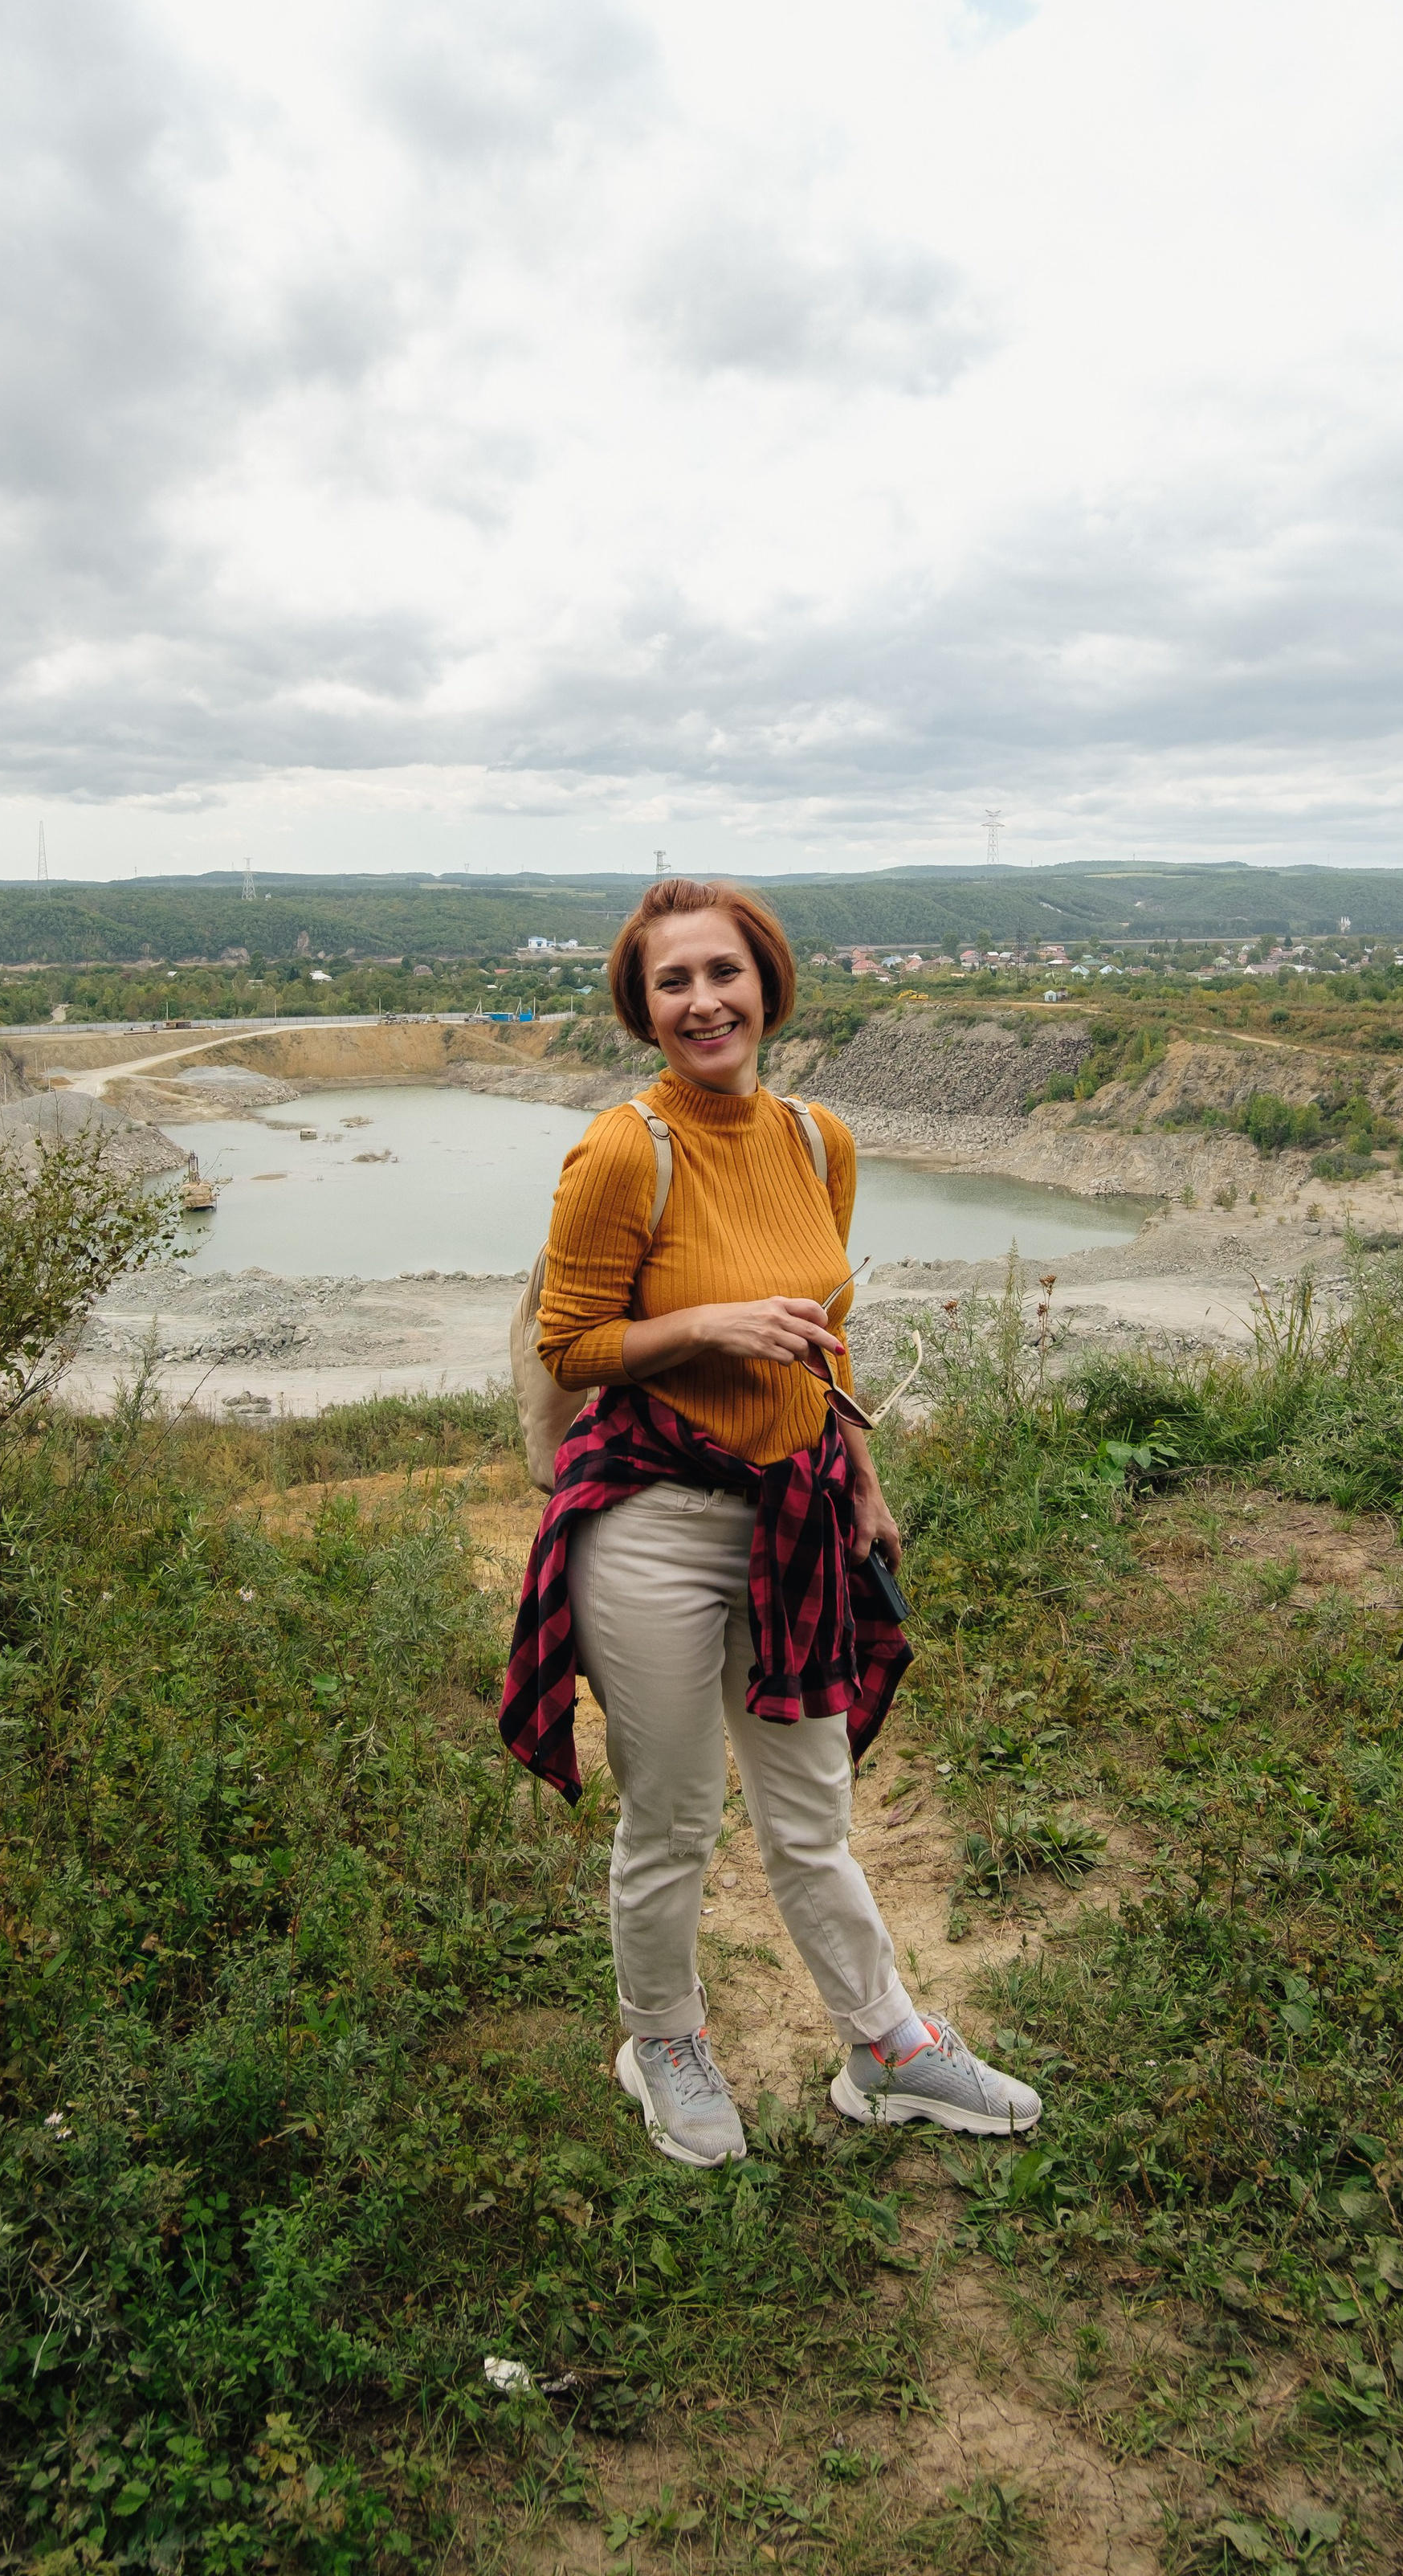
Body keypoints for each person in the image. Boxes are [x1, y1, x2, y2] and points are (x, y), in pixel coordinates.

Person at [500, 877, 1039, 2166]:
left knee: (810, 1814)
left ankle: (886, 2046)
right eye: (672, 982)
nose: (704, 1002)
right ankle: (662, 2042)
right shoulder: (624, 1149)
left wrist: (859, 1472)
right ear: (642, 1009)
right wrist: (702, 1326)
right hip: (655, 1525)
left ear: (768, 984)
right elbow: (573, 1345)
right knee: (675, 1815)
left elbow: (822, 1330)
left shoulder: (817, 1140)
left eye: (723, 973)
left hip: (793, 1517)